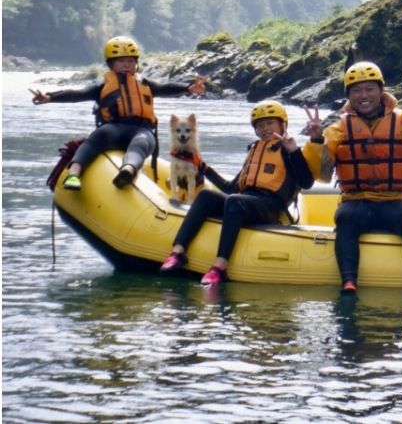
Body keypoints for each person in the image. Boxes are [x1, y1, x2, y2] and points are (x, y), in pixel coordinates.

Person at [303, 61, 402, 299]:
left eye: (369, 89)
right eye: (357, 90)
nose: (364, 95)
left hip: (395, 200)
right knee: (346, 218)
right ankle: (348, 282)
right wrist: (316, 141)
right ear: (349, 95)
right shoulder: (338, 128)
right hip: (357, 201)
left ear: (381, 91)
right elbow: (322, 175)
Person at [160, 101, 314, 285]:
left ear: (283, 125)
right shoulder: (254, 150)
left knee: (234, 201)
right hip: (244, 201)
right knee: (206, 196)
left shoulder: (289, 150)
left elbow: (306, 182)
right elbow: (230, 188)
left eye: (269, 123)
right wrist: (202, 166)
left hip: (270, 206)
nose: (264, 129)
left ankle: (220, 267)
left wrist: (294, 152)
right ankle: (178, 252)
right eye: (260, 125)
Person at [31, 35, 205, 190]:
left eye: (130, 61)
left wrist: (188, 88)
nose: (127, 65)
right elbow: (78, 94)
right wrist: (49, 97)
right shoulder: (102, 87)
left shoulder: (145, 83)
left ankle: (127, 170)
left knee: (142, 143)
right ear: (111, 64)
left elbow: (165, 88)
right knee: (95, 139)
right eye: (121, 61)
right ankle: (74, 173)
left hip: (141, 130)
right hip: (112, 129)